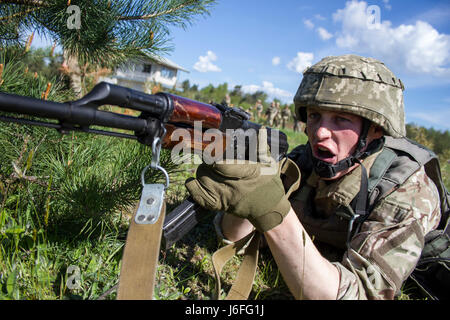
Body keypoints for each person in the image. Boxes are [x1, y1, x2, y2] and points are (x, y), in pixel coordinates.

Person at [186, 55, 444, 300]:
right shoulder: (301, 162)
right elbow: (235, 237)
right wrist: (244, 189)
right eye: (314, 116)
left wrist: (271, 209)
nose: (320, 132)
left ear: (375, 129)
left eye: (340, 119)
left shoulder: (405, 190)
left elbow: (359, 295)